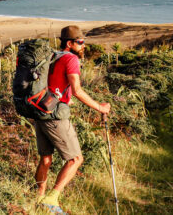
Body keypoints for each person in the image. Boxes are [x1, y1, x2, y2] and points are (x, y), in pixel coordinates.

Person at [35, 25, 111, 213]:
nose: (83, 46)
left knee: (46, 159)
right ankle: (51, 200)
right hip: (55, 116)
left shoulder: (51, 56)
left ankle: (38, 197)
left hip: (39, 111)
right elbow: (76, 90)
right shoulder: (70, 59)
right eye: (80, 42)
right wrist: (100, 107)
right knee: (75, 159)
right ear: (70, 44)